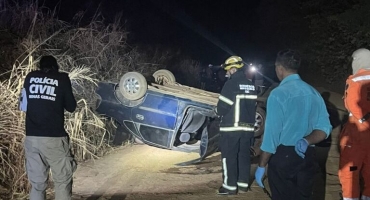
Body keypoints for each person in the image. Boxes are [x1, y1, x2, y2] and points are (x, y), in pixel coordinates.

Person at [254, 49, 332, 200]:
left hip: (283, 158)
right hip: (307, 155)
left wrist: (262, 165)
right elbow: (324, 128)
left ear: (279, 69)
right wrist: (307, 140)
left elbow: (271, 138)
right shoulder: (313, 93)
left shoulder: (278, 94)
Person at [20, 55, 77, 200]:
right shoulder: (62, 78)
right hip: (54, 139)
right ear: (55, 67)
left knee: (37, 185)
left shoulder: (30, 77)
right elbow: (71, 107)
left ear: (40, 66)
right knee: (62, 181)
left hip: (32, 137)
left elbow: (23, 105)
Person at [216, 55, 257, 195]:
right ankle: (243, 185)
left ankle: (229, 187)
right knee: (244, 156)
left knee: (229, 157)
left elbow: (222, 108)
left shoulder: (231, 84)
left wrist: (215, 111)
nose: (227, 73)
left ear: (233, 69)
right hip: (247, 129)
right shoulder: (251, 85)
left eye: (228, 70)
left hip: (231, 129)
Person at [339, 48, 370, 200]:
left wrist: (363, 120)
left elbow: (350, 103)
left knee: (350, 171)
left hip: (356, 135)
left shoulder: (355, 80)